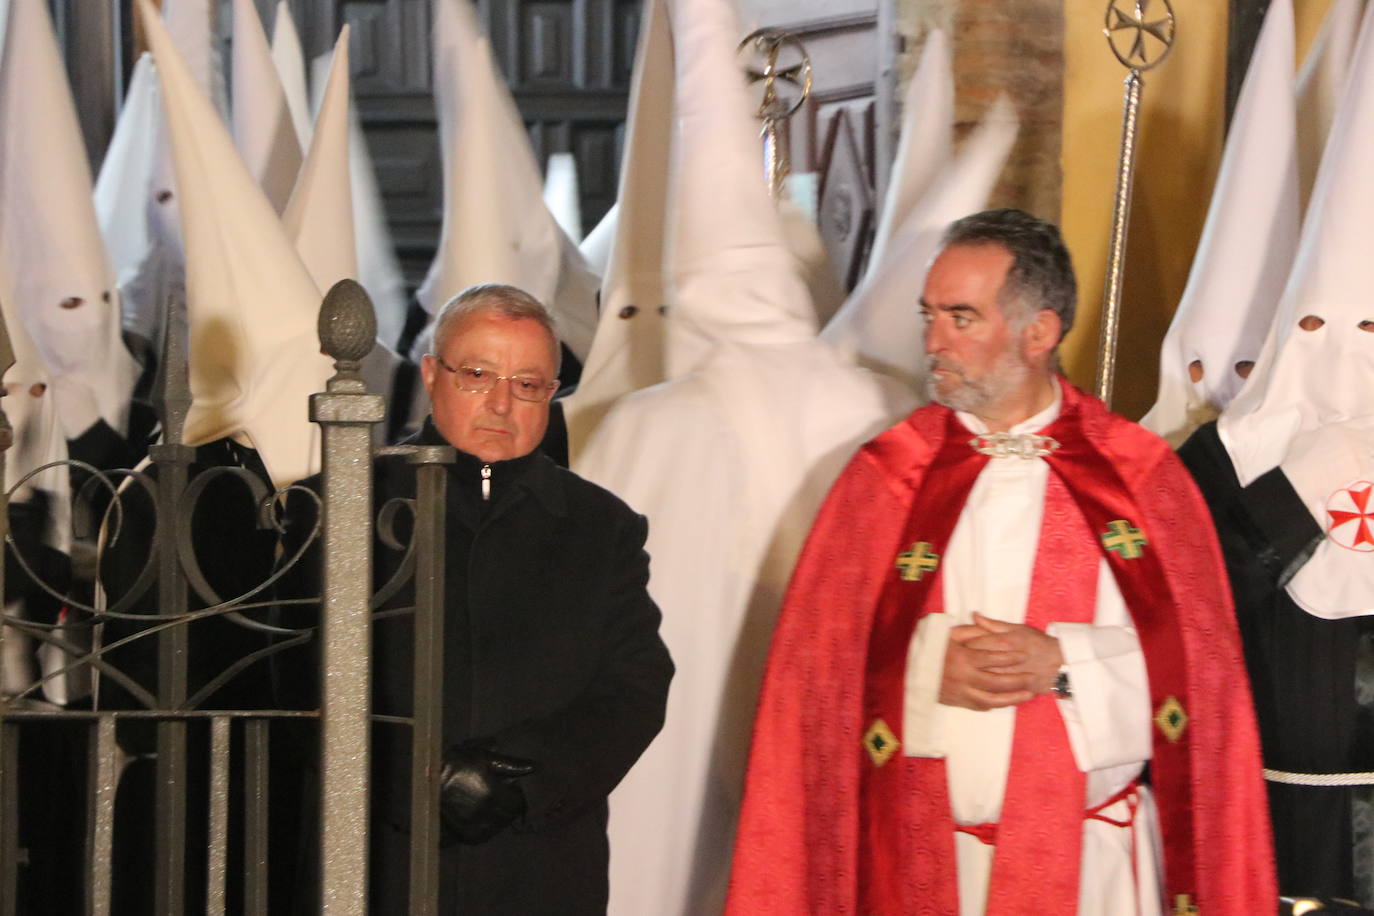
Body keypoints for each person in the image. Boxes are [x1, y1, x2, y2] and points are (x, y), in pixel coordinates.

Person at [725, 209, 1276, 914]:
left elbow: (1210, 687)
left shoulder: (1139, 478)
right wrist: (921, 669)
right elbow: (809, 680)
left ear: (1039, 332)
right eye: (929, 315)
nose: (932, 341)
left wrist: (1065, 666)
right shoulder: (884, 477)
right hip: (919, 861)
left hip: (1091, 878)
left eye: (961, 318)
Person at [279, 282, 673, 914]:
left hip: (535, 863)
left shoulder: (601, 527)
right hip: (374, 853)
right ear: (432, 376)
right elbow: (291, 680)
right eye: (478, 374)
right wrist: (411, 782)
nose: (500, 403)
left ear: (551, 395)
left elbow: (634, 689)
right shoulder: (339, 503)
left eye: (527, 384)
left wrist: (518, 779)